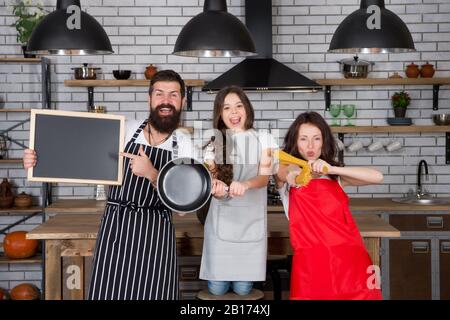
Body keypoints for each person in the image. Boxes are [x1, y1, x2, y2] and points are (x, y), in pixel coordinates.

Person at [23, 70, 195, 300]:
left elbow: (184, 208)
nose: (166, 101)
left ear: (182, 100)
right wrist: (38, 159)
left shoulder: (185, 146)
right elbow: (76, 154)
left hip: (157, 234)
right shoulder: (124, 129)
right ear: (149, 98)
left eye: (173, 95)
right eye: (160, 94)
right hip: (117, 228)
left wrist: (152, 174)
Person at [275, 111, 383, 300]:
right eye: (304, 139)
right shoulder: (286, 170)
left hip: (351, 262)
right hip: (311, 265)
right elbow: (287, 173)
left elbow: (377, 176)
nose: (310, 145)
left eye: (317, 138)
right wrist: (299, 174)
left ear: (324, 141)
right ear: (295, 142)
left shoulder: (336, 177)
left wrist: (331, 168)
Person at [199, 85, 276, 296]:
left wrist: (245, 184)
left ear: (247, 109)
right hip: (221, 225)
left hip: (251, 223)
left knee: (243, 290)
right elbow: (212, 180)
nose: (234, 112)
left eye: (238, 106)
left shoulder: (264, 140)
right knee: (217, 288)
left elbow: (263, 177)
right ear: (220, 114)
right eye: (227, 108)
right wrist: (217, 188)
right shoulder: (213, 145)